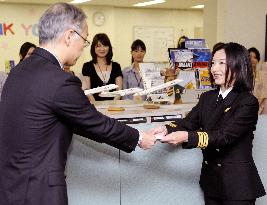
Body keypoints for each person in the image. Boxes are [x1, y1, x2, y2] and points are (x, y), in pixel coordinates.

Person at [0, 3, 155, 205]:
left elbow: (77, 121)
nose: (84, 46)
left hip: (10, 185)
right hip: (39, 190)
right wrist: (140, 137)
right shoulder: (59, 80)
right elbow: (96, 123)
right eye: (84, 39)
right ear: (69, 35)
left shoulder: (19, 71)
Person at [152, 42, 266, 205]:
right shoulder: (207, 98)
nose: (214, 68)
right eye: (213, 63)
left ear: (238, 65)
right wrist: (166, 128)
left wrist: (186, 137)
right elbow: (188, 122)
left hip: (237, 186)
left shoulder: (247, 101)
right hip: (212, 182)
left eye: (222, 63)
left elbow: (224, 136)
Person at [82, 33, 122, 101]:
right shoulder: (87, 66)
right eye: (98, 46)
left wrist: (112, 105)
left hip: (114, 108)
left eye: (105, 45)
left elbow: (119, 90)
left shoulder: (116, 66)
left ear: (109, 47)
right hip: (94, 107)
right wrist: (96, 106)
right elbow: (87, 91)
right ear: (93, 48)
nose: (102, 49)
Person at [248, 47, 267, 114]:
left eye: (255, 57)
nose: (252, 59)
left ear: (258, 60)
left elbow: (264, 93)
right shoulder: (242, 75)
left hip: (258, 106)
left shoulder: (262, 74)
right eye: (250, 57)